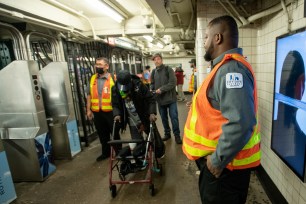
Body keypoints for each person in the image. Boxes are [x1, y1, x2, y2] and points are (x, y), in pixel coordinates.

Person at [182, 15, 261, 204]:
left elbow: (241, 123)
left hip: (224, 170)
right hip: (223, 169)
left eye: (206, 37)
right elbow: (221, 109)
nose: (204, 43)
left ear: (217, 38)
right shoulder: (222, 68)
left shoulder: (230, 70)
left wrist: (216, 162)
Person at [86, 57, 120, 162]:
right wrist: (88, 110)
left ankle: (119, 153)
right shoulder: (92, 79)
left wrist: (119, 112)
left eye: (100, 64)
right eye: (96, 64)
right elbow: (89, 95)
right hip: (97, 112)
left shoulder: (113, 79)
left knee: (114, 133)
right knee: (102, 134)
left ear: (106, 66)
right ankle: (106, 153)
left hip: (111, 112)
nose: (97, 66)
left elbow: (119, 96)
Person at [112, 69, 157, 142]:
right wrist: (116, 114)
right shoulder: (115, 89)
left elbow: (150, 99)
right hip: (132, 120)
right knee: (137, 141)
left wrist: (152, 112)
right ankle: (141, 152)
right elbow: (115, 104)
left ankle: (158, 151)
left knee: (153, 139)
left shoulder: (139, 85)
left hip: (145, 117)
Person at [151, 53, 182, 144]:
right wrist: (152, 89)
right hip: (160, 100)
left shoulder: (168, 69)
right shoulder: (154, 72)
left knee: (174, 118)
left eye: (158, 59)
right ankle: (167, 134)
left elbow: (173, 83)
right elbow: (152, 83)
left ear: (162, 60)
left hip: (171, 99)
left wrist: (161, 89)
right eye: (155, 60)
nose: (156, 61)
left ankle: (177, 135)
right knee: (164, 118)